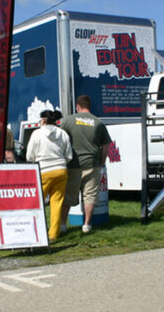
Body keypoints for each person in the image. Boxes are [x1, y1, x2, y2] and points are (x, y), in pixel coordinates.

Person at [60, 95, 112, 234]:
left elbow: (61, 141)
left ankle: (62, 225)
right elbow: (106, 148)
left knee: (68, 196)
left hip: (73, 165)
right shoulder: (98, 122)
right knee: (90, 195)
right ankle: (87, 225)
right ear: (89, 106)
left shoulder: (67, 121)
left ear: (78, 106)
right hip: (92, 164)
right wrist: (100, 164)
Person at [26, 109, 72, 241]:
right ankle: (53, 234)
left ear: (44, 120)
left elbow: (29, 156)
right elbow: (69, 155)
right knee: (56, 203)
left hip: (43, 171)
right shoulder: (63, 133)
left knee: (37, 203)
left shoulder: (37, 134)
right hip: (61, 170)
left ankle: (35, 232)